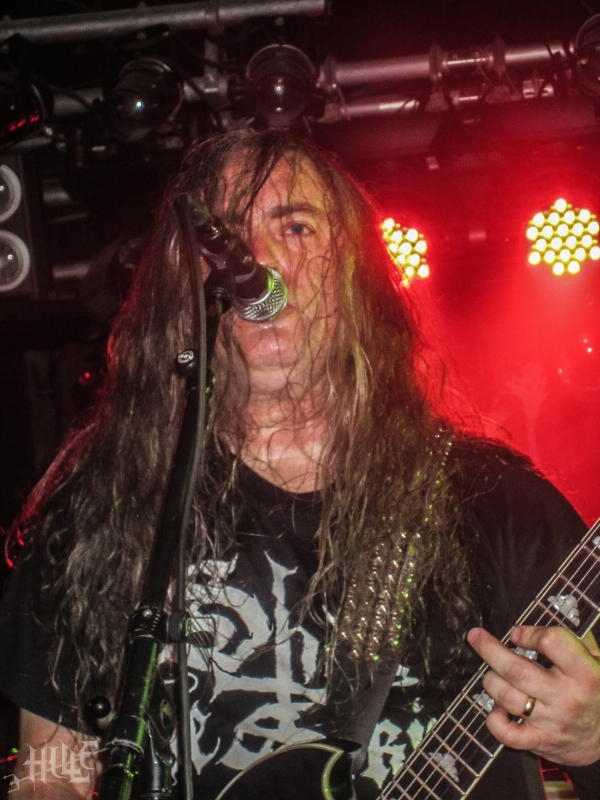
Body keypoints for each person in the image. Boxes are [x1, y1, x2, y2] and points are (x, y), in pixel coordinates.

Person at [0, 129, 599, 800]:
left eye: (296, 227)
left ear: (354, 275)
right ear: (184, 287)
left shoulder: (496, 503)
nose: (255, 259)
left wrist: (592, 737)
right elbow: (48, 775)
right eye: (223, 237)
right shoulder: (103, 512)